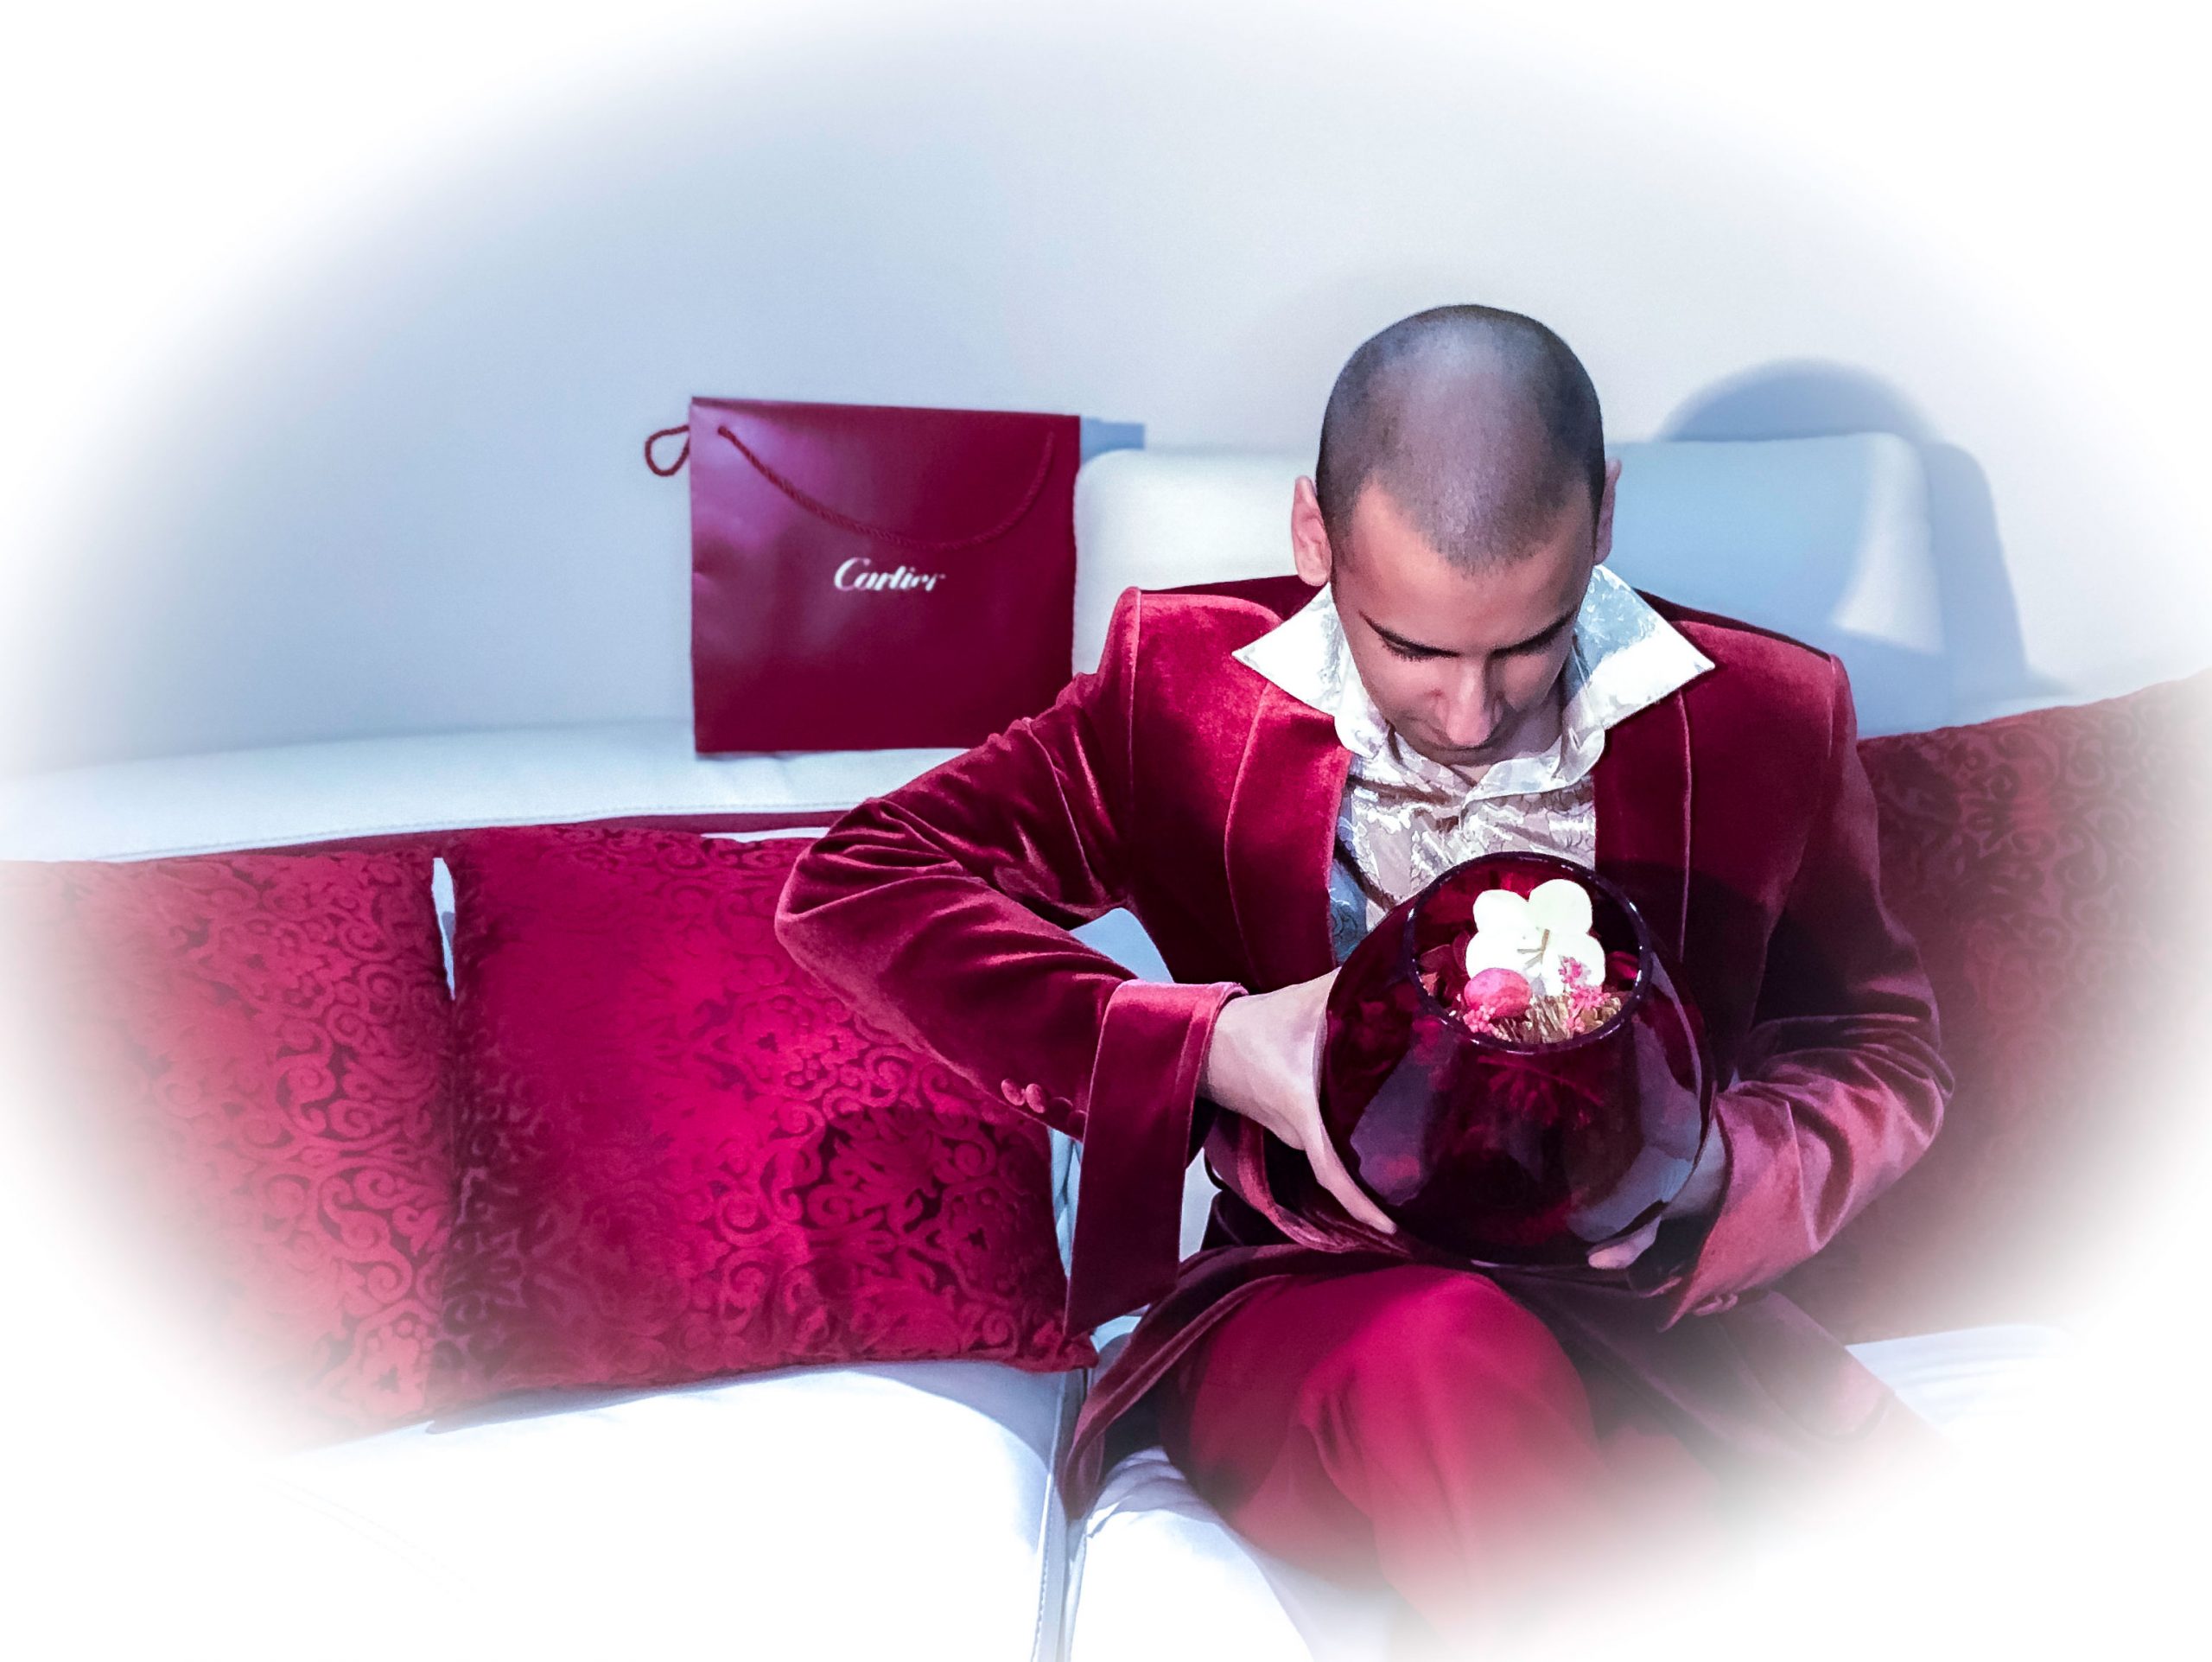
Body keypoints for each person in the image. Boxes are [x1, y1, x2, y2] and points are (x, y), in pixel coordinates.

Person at [774, 305, 1952, 1651]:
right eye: (1414, 648)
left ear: (1605, 519)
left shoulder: (1767, 713)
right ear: (1313, 540)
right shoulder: (1180, 686)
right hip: (1316, 1315)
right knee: (1451, 1368)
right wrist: (1217, 1044)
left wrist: (1713, 1169)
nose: (1472, 711)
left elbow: (1879, 1047)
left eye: (1527, 640)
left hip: (1641, 1325)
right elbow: (858, 885)